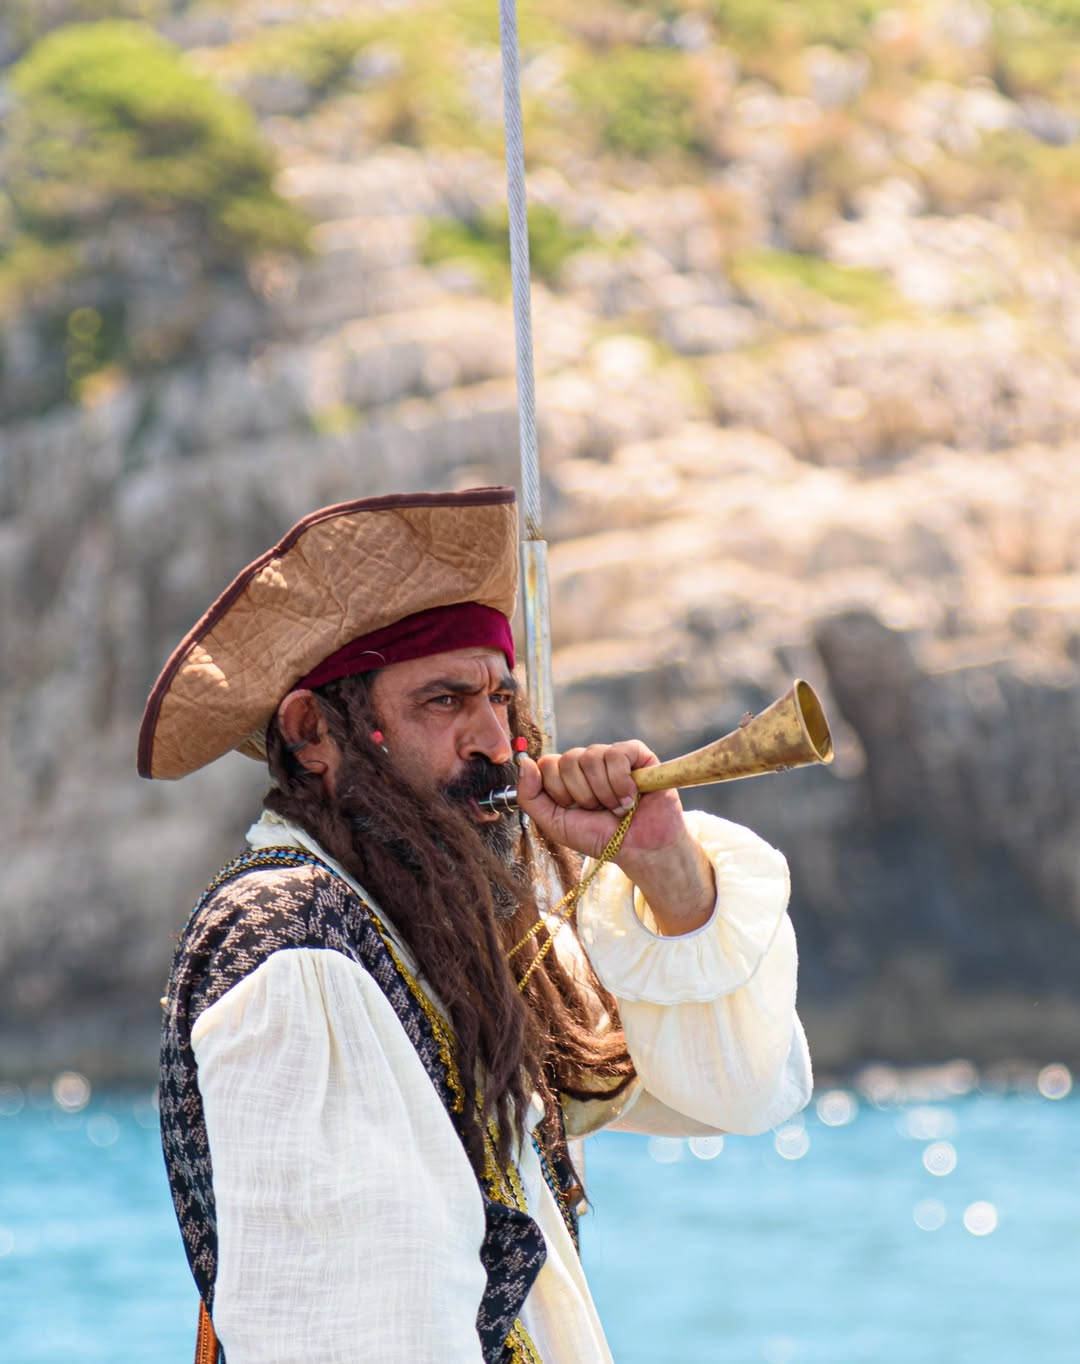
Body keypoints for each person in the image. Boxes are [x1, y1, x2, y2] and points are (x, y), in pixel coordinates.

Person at [141, 486, 812, 1364]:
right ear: (313, 733)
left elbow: (736, 1090)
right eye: (444, 701)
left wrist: (661, 864)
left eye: (501, 698)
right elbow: (358, 1336)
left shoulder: (430, 935)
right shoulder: (299, 943)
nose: (495, 741)